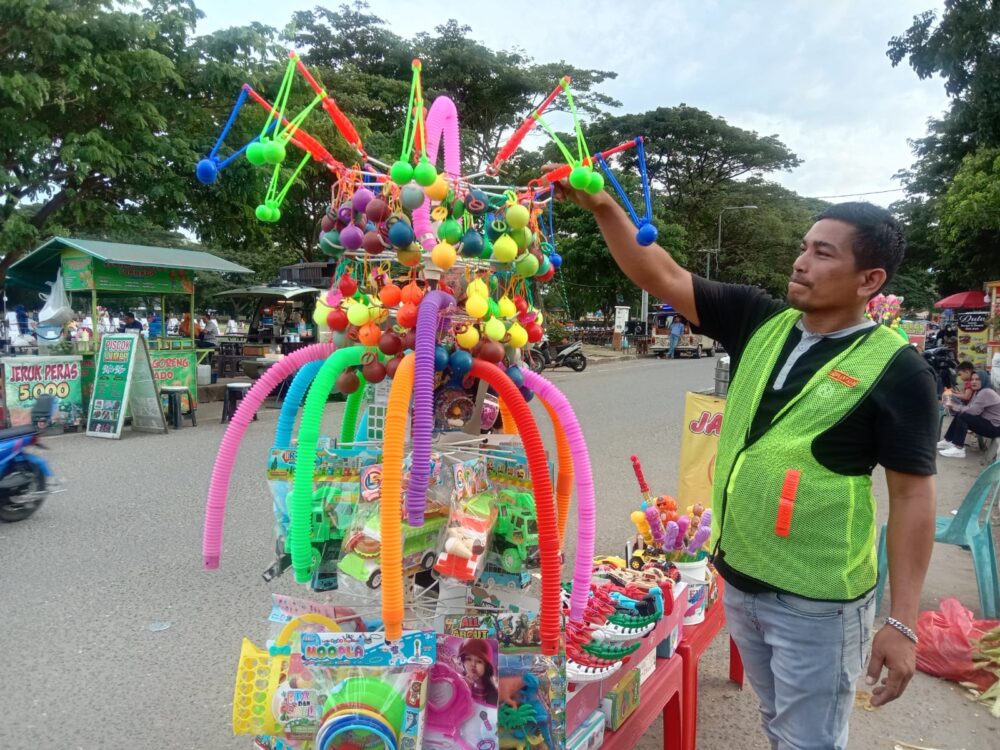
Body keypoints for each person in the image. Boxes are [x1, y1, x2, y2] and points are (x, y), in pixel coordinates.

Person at [552, 172, 937, 750]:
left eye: (822, 253)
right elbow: (661, 274)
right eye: (804, 246)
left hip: (819, 602)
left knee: (809, 740)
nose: (801, 261)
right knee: (778, 724)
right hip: (740, 583)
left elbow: (913, 497)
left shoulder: (899, 370)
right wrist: (606, 205)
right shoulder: (760, 320)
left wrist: (902, 622)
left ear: (870, 280)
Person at [939, 370, 1000, 458]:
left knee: (964, 415)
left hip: (996, 427)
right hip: (990, 424)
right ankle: (948, 440)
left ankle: (958, 448)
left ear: (984, 380)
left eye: (978, 379)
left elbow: (972, 411)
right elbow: (971, 407)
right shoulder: (979, 391)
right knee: (961, 413)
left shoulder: (986, 392)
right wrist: (955, 406)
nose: (974, 382)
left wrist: (953, 406)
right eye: (972, 379)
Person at [458, 638, 498, 705]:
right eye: (468, 659)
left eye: (479, 661)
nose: (473, 664)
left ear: (487, 667)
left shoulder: (492, 692)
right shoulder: (458, 684)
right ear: (462, 661)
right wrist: (465, 689)